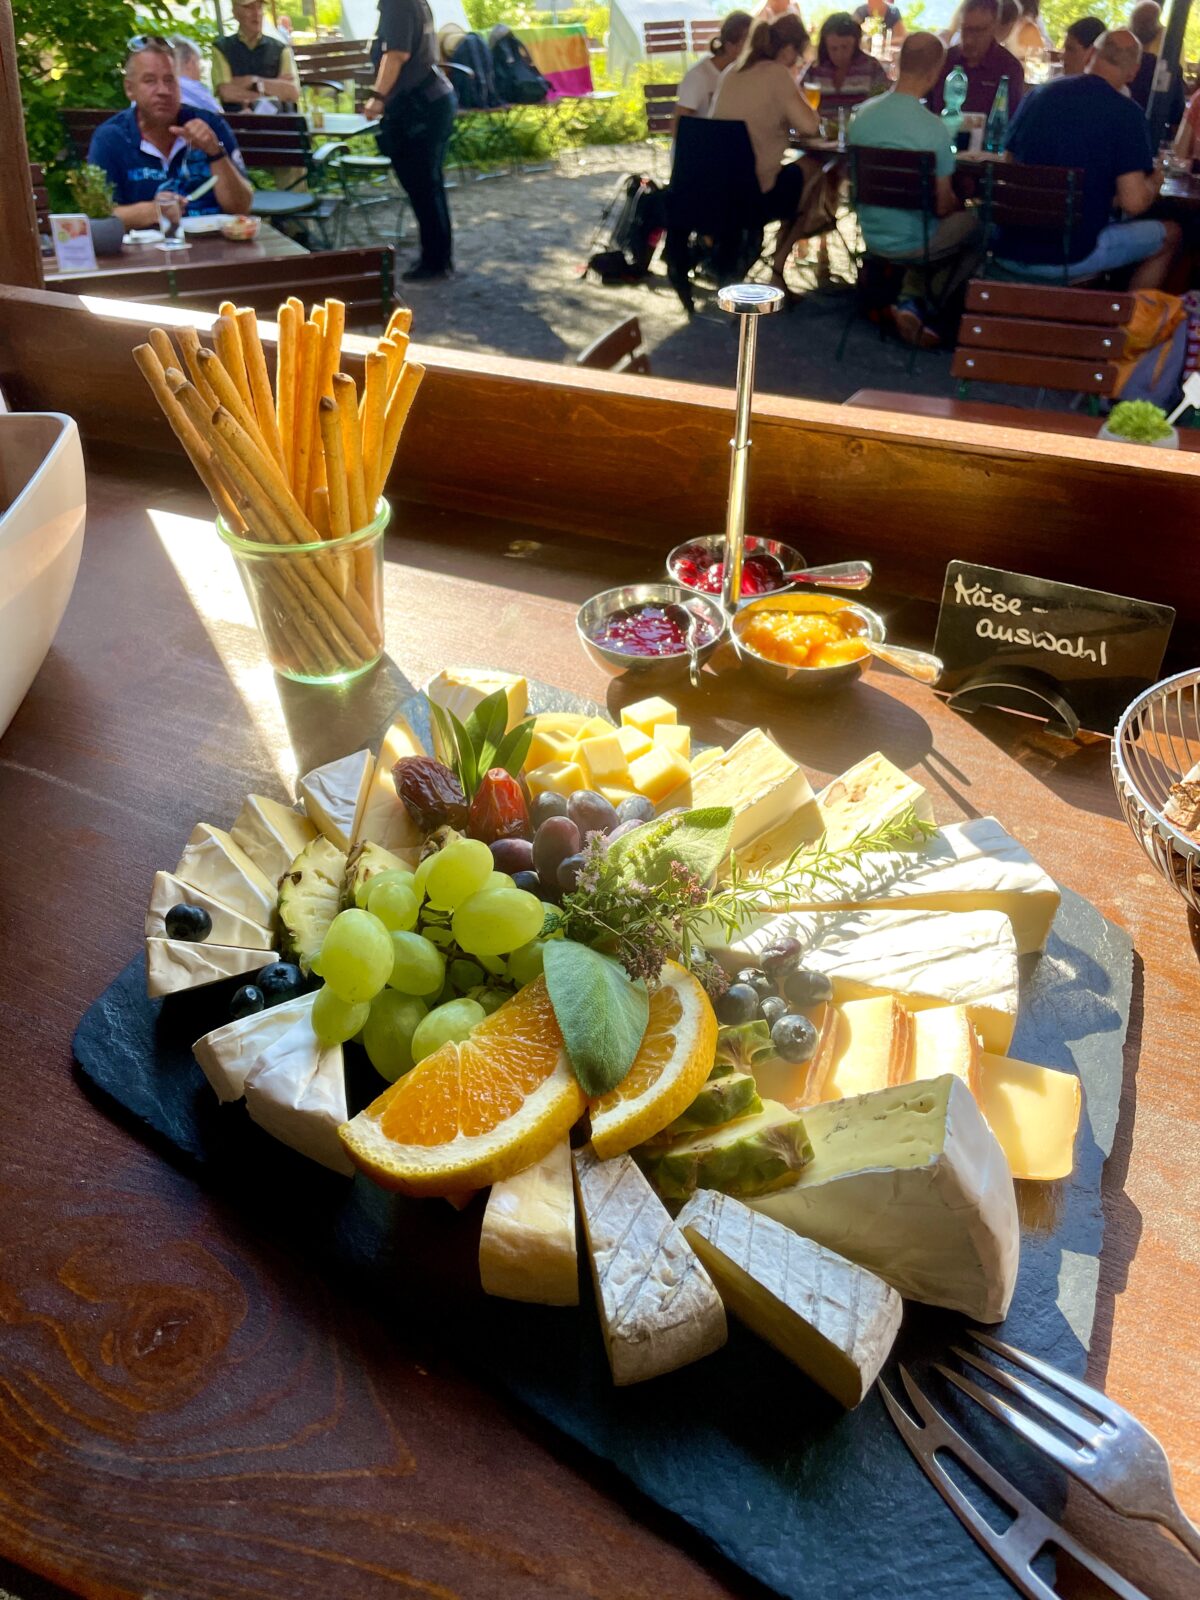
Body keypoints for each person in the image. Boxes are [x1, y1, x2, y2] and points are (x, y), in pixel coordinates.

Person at [994, 30, 1180, 287]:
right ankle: (1129, 326)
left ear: (1092, 54)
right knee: (1171, 235)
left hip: (1006, 246)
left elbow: (1008, 166)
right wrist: (1156, 181)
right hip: (1071, 254)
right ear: (1133, 72)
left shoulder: (1038, 95)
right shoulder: (1127, 114)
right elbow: (1134, 203)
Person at [848, 32, 983, 347]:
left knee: (939, 231)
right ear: (936, 72)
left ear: (897, 62)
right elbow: (942, 205)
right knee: (980, 226)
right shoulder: (933, 129)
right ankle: (920, 304)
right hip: (915, 240)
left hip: (870, 233)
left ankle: (909, 298)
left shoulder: (861, 115)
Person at [88, 38, 252, 228]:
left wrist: (215, 152)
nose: (163, 91)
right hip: (148, 252)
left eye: (169, 80)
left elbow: (241, 207)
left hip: (217, 246)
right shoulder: (112, 138)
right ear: (129, 89)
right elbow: (99, 216)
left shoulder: (210, 125)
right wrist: (154, 210)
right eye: (150, 81)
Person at [711, 14, 822, 293]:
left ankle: (777, 263)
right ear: (788, 50)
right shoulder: (777, 73)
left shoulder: (732, 72)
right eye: (797, 58)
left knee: (795, 177)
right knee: (816, 169)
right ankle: (778, 267)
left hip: (719, 188)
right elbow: (810, 126)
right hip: (755, 195)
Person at [364, 0, 457, 281]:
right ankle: (438, 256)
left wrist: (377, 98)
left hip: (420, 106)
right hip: (432, 99)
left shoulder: (397, 3)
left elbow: (397, 54)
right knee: (429, 185)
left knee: (422, 185)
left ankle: (435, 261)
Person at [927, 0, 1025, 115]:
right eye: (965, 29)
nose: (969, 39)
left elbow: (1011, 120)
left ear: (994, 27)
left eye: (978, 31)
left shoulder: (1009, 68)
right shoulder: (944, 60)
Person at [212, 0, 300, 109]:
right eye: (249, 7)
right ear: (235, 13)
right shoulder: (222, 48)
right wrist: (274, 89)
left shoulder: (281, 49)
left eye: (259, 7)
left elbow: (292, 93)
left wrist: (253, 81)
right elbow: (226, 93)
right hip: (239, 122)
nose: (256, 13)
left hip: (279, 122)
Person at [802, 13, 889, 115]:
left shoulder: (872, 68)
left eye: (845, 47)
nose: (840, 54)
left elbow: (884, 107)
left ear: (855, 44)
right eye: (833, 49)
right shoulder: (814, 70)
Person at [675, 10, 752, 124]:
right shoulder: (697, 76)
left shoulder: (748, 73)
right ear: (730, 46)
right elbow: (679, 125)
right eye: (750, 43)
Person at [1127, 0, 1184, 126]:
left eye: (1147, 21)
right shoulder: (1168, 63)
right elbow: (1177, 115)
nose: (1142, 26)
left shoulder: (1169, 41)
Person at [173, 38, 223, 116]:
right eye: (198, 63)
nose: (200, 70)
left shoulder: (165, 89)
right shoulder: (196, 89)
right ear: (191, 62)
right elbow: (221, 117)